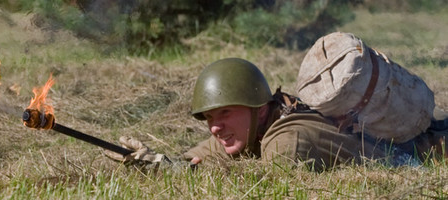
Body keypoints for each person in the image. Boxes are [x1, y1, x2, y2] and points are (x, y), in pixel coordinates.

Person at [105, 58, 447, 171]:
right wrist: (158, 164)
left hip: (431, 149)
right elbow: (195, 161)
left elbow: (260, 182)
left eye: (225, 112)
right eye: (209, 117)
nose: (215, 127)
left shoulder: (289, 139)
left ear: (260, 109)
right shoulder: (247, 130)